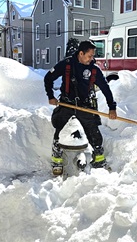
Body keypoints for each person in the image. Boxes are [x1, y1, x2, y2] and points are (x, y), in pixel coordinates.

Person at [44, 40, 117, 173]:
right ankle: (57, 160)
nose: (92, 58)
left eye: (93, 56)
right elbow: (48, 78)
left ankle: (99, 159)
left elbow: (106, 89)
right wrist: (51, 96)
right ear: (81, 53)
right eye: (89, 56)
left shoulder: (94, 69)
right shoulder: (66, 65)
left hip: (85, 105)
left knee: (93, 131)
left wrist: (112, 107)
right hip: (66, 104)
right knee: (60, 129)